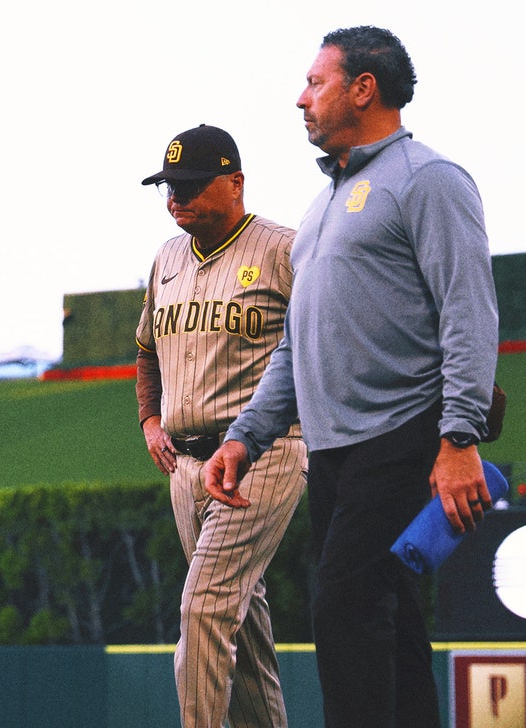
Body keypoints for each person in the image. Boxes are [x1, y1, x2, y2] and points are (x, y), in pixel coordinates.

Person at [202, 26, 498, 727]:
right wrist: (246, 437)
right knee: (387, 624)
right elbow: (295, 347)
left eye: (316, 82)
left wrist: (459, 438)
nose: (300, 98)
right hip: (334, 452)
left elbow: (470, 313)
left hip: (401, 436)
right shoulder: (323, 207)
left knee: (343, 606)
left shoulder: (428, 180)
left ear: (363, 88)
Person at [134, 124, 304, 728]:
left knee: (205, 608)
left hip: (263, 454)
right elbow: (147, 349)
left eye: (189, 184)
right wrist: (150, 419)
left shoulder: (285, 249)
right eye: (168, 186)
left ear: (235, 181)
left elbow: (319, 344)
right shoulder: (166, 258)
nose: (176, 197)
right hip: (184, 464)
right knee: (241, 619)